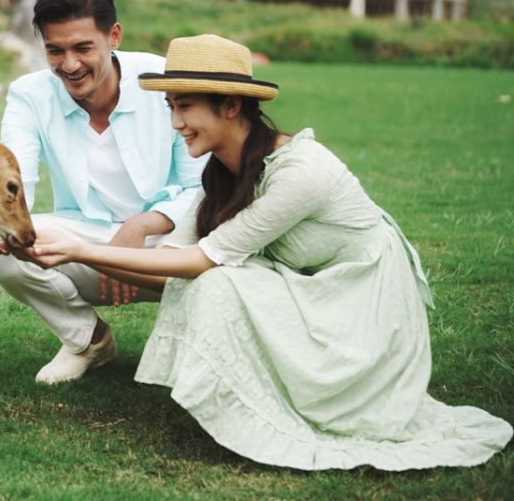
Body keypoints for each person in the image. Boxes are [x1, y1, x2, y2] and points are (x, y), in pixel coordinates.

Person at [28, 34, 512, 470]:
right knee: (212, 281)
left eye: (186, 107)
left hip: (362, 305)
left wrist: (81, 250)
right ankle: (240, 405)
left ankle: (275, 407)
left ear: (231, 106)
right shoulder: (220, 173)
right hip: (310, 291)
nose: (176, 123)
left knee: (218, 282)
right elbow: (174, 263)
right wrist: (56, 250)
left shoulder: (300, 173)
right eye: (171, 107)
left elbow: (198, 263)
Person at [0, 0, 206, 384]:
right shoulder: (30, 94)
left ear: (114, 36)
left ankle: (201, 346)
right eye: (55, 50)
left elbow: (202, 186)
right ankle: (89, 340)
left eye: (82, 48)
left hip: (169, 241)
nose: (69, 65)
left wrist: (143, 223)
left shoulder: (163, 79)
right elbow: (18, 177)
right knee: (5, 251)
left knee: (223, 250)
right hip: (86, 238)